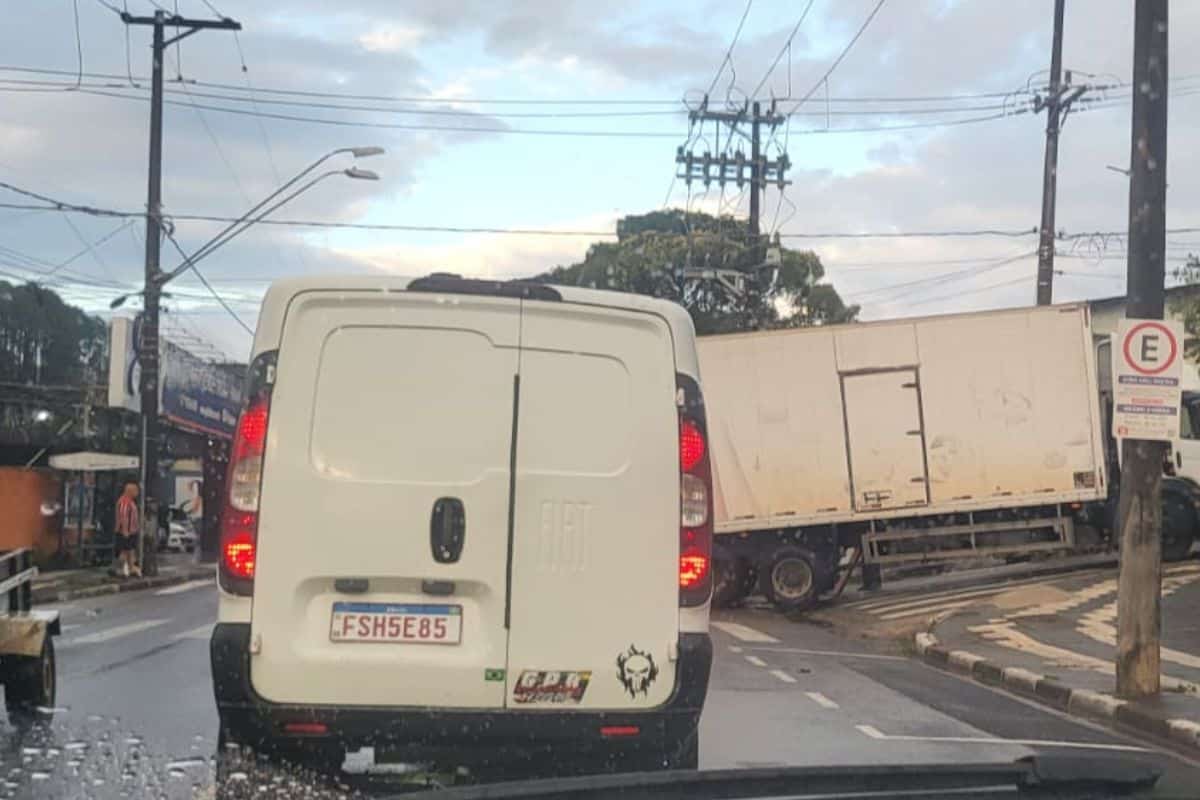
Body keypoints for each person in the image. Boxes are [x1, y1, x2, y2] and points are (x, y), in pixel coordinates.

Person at [114, 480, 142, 578]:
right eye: (135, 490)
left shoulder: (131, 501)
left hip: (131, 531)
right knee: (124, 551)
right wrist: (125, 531)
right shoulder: (124, 501)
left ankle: (131, 568)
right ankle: (120, 569)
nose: (137, 493)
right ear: (129, 491)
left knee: (131, 551)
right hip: (125, 532)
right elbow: (123, 516)